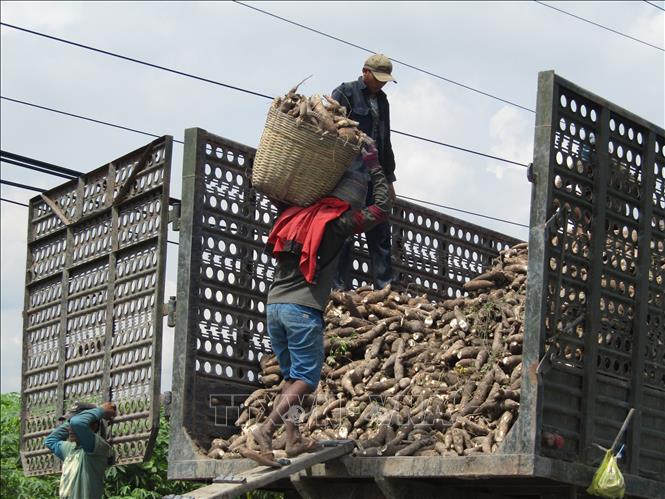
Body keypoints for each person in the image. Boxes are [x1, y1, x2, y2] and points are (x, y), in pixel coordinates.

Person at [244, 143, 392, 467]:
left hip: (274, 309)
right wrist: (375, 167)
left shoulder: (293, 215)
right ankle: (266, 432)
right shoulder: (338, 225)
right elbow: (382, 207)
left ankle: (293, 438)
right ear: (349, 202)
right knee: (307, 379)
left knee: (292, 377)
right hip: (302, 311)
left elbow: (276, 192)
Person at [331, 53, 397, 291]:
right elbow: (331, 132)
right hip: (350, 176)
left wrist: (389, 180)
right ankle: (338, 287)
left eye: (384, 80)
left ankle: (384, 288)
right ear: (365, 72)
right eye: (378, 78)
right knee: (345, 231)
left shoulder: (383, 101)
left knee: (380, 231)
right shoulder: (345, 93)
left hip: (375, 175)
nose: (381, 83)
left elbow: (385, 141)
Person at [44, 401, 116, 499]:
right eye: (68, 424)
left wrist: (102, 411)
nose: (69, 429)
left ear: (94, 426)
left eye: (72, 425)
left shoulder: (95, 447)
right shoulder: (71, 449)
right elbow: (50, 441)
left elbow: (78, 423)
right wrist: (69, 423)